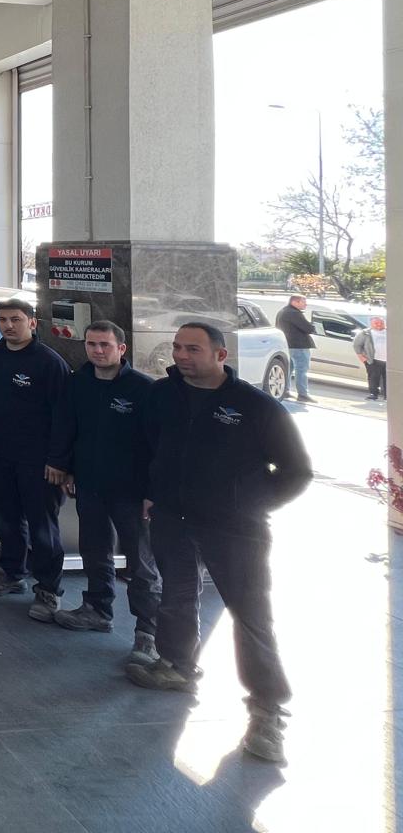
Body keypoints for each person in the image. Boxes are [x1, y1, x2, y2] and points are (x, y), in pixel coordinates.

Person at [129, 322, 313, 766]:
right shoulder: (162, 395)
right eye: (177, 347)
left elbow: (296, 471)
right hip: (173, 519)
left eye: (193, 349)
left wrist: (248, 505)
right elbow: (151, 447)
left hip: (235, 528)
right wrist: (154, 491)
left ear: (220, 355)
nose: (181, 355)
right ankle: (176, 666)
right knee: (176, 595)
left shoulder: (256, 406)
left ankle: (267, 712)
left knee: (250, 616)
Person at [46, 320, 160, 666]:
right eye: (91, 344)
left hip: (131, 491)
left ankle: (148, 632)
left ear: (121, 349)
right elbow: (65, 425)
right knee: (95, 550)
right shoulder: (77, 383)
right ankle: (97, 609)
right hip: (90, 484)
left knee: (141, 562)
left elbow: (158, 445)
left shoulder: (143, 389)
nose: (97, 350)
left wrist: (153, 491)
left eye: (105, 345)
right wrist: (62, 465)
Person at [0, 300, 70, 621]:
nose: (8, 325)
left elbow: (63, 417)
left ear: (32, 322)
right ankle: (11, 573)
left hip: (38, 461)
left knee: (43, 528)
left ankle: (48, 590)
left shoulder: (49, 363)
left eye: (15, 319)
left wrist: (58, 460)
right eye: (2, 320)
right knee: (5, 519)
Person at [273, 294, 317, 402]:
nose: (306, 304)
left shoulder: (282, 311)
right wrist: (313, 326)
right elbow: (308, 328)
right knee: (301, 370)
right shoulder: (294, 313)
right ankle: (303, 394)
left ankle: (285, 390)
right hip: (299, 346)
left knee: (289, 369)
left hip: (287, 345)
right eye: (303, 302)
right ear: (295, 302)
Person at [353, 315, 387, 401]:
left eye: (381, 323)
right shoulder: (365, 333)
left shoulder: (390, 332)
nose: (379, 324)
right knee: (373, 377)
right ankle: (373, 394)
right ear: (371, 324)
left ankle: (387, 395)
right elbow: (357, 345)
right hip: (373, 360)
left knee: (388, 378)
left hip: (389, 361)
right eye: (376, 323)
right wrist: (362, 358)